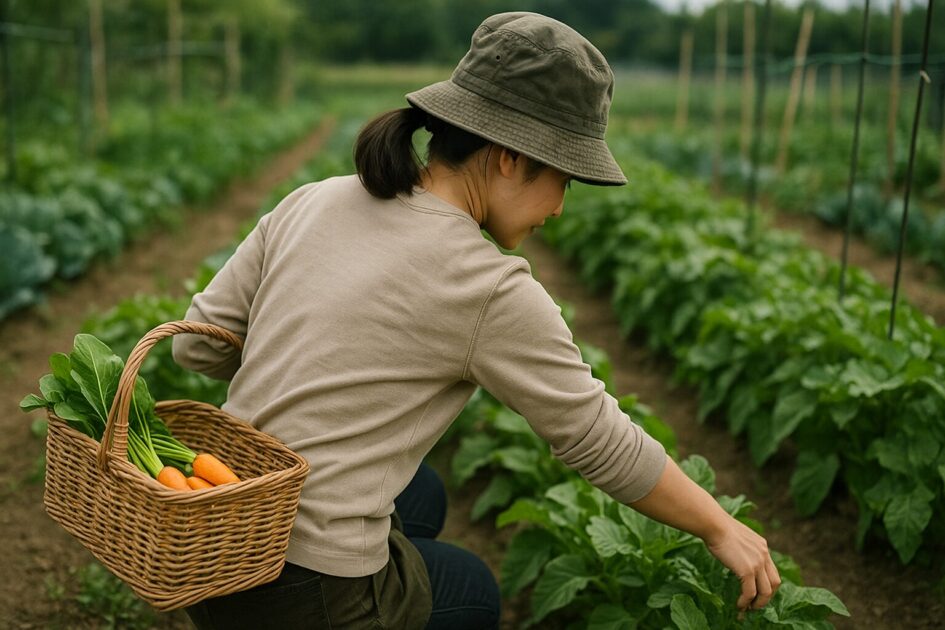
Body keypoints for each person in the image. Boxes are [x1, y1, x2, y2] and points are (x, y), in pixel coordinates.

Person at [173, 11, 780, 630]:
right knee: (471, 589)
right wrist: (718, 525)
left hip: (212, 535)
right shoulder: (489, 287)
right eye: (565, 179)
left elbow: (194, 349)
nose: (561, 209)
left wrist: (305, 348)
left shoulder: (315, 197)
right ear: (510, 158)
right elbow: (596, 437)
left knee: (424, 494)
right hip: (300, 597)